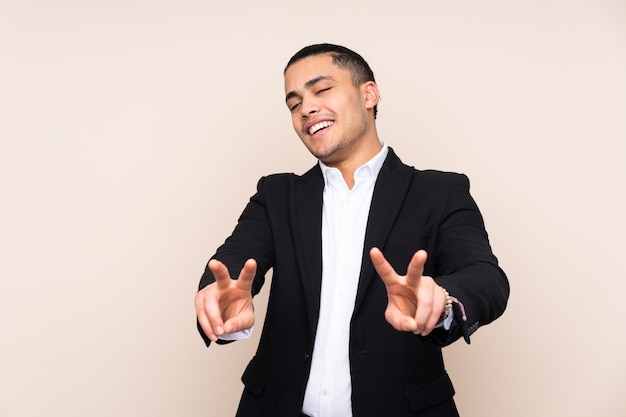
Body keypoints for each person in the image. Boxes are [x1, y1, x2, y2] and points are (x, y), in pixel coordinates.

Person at [195, 43, 509, 417]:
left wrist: (440, 300)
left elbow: (486, 278)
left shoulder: (439, 192)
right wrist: (219, 301)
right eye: (294, 103)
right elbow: (232, 263)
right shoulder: (276, 196)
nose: (306, 108)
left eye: (321, 89)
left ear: (369, 94)